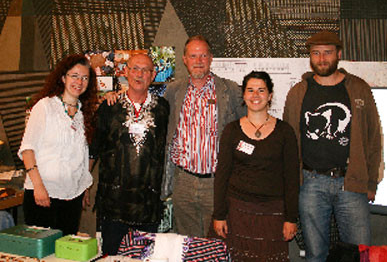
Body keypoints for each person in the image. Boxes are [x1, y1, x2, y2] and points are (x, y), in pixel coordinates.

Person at [283, 31, 382, 262]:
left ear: (338, 54)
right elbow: (288, 143)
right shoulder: (298, 92)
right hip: (311, 184)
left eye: (327, 53)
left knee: (359, 252)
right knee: (315, 254)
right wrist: (291, 185)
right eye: (316, 53)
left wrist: (371, 182)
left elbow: (374, 137)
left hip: (351, 183)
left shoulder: (359, 89)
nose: (322, 59)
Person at [162, 35, 246, 238]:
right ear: (184, 59)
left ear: (211, 58)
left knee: (218, 242)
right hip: (183, 182)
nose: (198, 61)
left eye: (203, 56)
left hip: (216, 183)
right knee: (186, 242)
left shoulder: (230, 90)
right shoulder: (173, 92)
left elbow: (247, 129)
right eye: (193, 56)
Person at [212, 71, 299, 261]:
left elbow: (292, 178)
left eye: (261, 90)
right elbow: (222, 176)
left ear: (270, 95)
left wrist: (291, 218)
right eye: (250, 90)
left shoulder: (285, 132)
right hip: (237, 213)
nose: (255, 95)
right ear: (243, 95)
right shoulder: (231, 130)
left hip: (273, 214)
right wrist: (219, 215)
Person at [90, 53, 169, 255]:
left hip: (147, 204)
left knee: (144, 258)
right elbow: (94, 149)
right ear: (125, 71)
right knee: (112, 256)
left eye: (145, 70)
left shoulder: (163, 108)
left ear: (153, 75)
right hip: (113, 203)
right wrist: (85, 186)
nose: (139, 74)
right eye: (134, 68)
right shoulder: (109, 107)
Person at [18, 54, 98, 235]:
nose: (79, 81)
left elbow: (82, 156)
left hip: (72, 198)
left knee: (65, 252)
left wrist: (83, 186)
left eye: (85, 78)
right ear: (63, 78)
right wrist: (38, 187)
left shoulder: (83, 114)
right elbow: (27, 149)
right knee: (42, 253)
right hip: (42, 194)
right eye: (74, 75)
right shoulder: (45, 106)